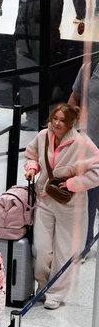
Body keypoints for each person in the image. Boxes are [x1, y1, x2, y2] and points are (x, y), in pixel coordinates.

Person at [23, 103, 99, 309]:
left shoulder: (82, 143)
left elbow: (97, 169)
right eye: (54, 118)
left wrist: (73, 184)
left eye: (62, 120)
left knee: (65, 250)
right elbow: (31, 155)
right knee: (41, 247)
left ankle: (56, 293)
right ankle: (43, 285)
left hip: (71, 204)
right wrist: (32, 168)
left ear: (71, 123)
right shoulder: (43, 136)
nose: (56, 123)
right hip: (45, 197)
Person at [14, 0, 65, 131]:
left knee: (30, 77)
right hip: (53, 36)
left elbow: (25, 16)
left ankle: (33, 117)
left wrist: (19, 41)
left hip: (33, 40)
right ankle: (45, 115)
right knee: (49, 76)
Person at [70, 61, 99, 247]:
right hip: (90, 150)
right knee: (87, 197)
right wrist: (64, 124)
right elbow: (74, 98)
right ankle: (85, 243)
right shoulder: (90, 67)